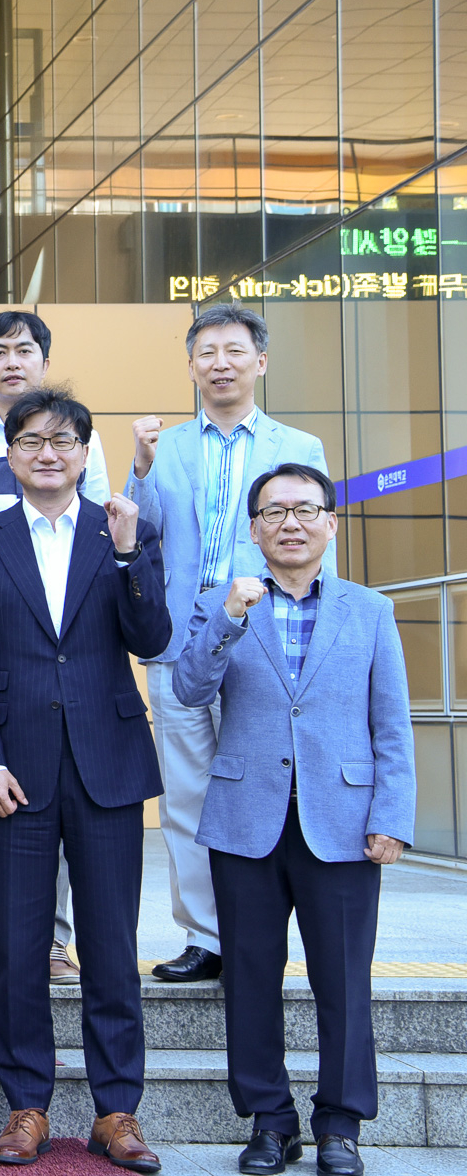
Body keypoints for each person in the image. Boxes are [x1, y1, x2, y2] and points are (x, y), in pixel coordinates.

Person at [0, 387, 169, 1175]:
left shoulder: (123, 530)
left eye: (64, 440)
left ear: (84, 452)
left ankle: (117, 1109)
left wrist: (129, 554)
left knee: (111, 942)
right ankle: (27, 1104)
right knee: (20, 945)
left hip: (107, 760)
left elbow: (152, 636)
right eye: (33, 440)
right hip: (17, 769)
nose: (48, 452)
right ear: (11, 454)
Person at [172, 463, 412, 1176]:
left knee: (344, 980)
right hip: (247, 820)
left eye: (306, 509)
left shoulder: (371, 610)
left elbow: (391, 725)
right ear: (253, 530)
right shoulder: (223, 601)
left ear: (331, 523)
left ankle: (340, 1123)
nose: (291, 522)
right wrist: (229, 619)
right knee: (249, 975)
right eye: (274, 511)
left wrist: (390, 817)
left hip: (342, 822)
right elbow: (187, 687)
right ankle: (268, 1120)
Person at [124, 303, 333, 985]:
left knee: (256, 792)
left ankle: (252, 933)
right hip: (181, 642)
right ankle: (204, 936)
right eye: (207, 351)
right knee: (186, 795)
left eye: (234, 350)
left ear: (260, 362)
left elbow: (316, 547)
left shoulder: (298, 446)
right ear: (190, 365)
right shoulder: (170, 445)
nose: (220, 362)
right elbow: (139, 529)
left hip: (263, 645)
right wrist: (142, 466)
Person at [0, 311, 103, 988]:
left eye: (24, 349)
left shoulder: (79, 438)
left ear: (43, 358)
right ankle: (9, 930)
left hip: (63, 641)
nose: (12, 360)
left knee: (65, 791)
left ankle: (54, 941)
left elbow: (99, 529)